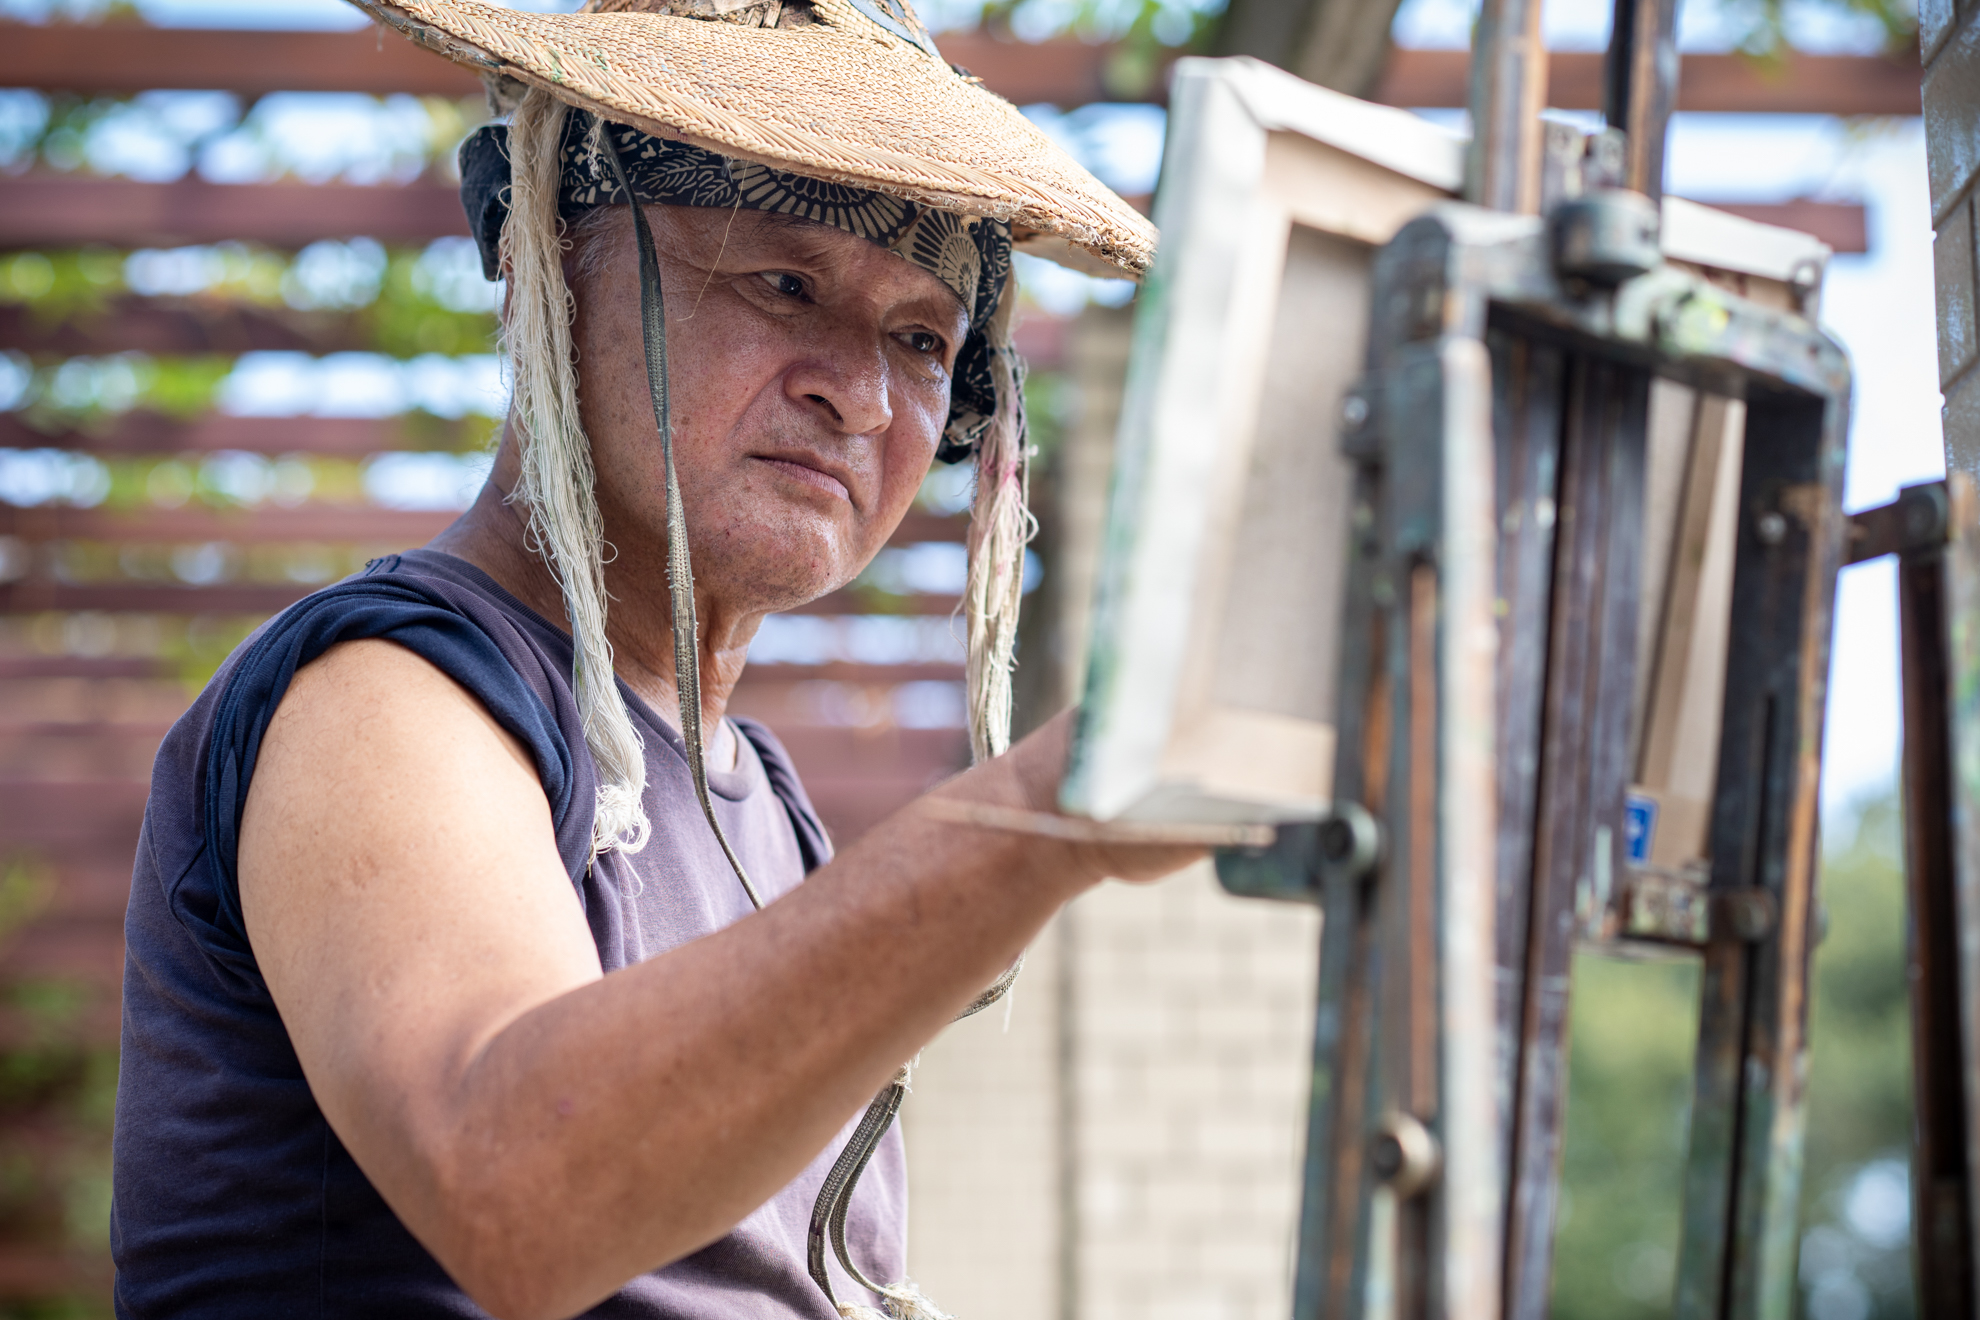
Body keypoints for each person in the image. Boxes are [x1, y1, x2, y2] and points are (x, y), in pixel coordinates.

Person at [108, 2, 1190, 1318]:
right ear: (554, 265)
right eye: (781, 282)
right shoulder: (389, 694)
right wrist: (1032, 819)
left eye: (919, 338)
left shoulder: (766, 806)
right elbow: (520, 1194)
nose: (857, 389)